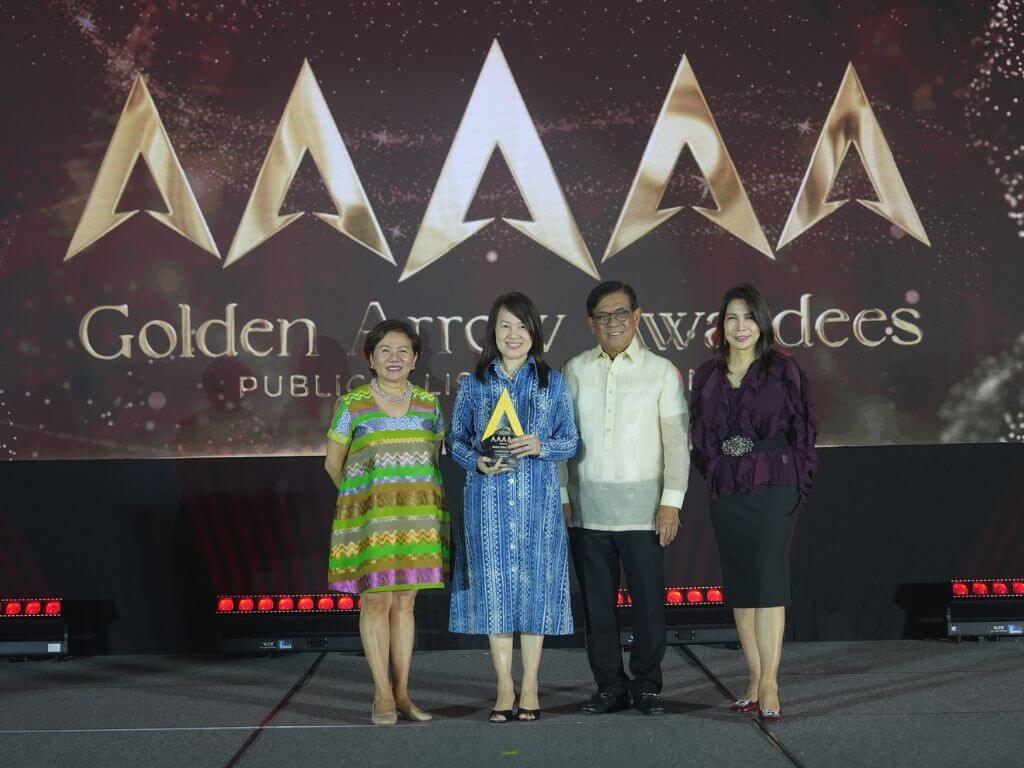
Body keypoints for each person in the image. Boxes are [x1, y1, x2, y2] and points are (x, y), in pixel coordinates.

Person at [448, 292, 579, 722]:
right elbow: (457, 441)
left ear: (534, 332)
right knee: (497, 594)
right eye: (505, 326)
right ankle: (504, 687)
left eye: (522, 326)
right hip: (488, 503)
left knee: (535, 593)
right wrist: (476, 461)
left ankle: (532, 685)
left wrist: (542, 445)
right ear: (493, 332)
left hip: (539, 504)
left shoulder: (552, 382)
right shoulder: (474, 384)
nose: (513, 334)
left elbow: (571, 441)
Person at [689, 283, 818, 725]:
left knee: (767, 581)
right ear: (720, 326)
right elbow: (700, 439)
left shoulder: (784, 370)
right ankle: (752, 677)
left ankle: (771, 682)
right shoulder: (706, 375)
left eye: (747, 317)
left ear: (762, 323)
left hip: (774, 484)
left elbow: (804, 430)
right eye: (731, 318)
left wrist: (798, 481)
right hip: (728, 491)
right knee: (742, 585)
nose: (740, 327)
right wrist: (722, 467)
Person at [562, 280, 689, 717]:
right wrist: (563, 494)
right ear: (590, 323)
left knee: (649, 604)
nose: (612, 323)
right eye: (603, 316)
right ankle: (609, 686)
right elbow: (562, 439)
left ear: (637, 317)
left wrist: (671, 502)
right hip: (587, 510)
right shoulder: (574, 370)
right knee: (597, 607)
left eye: (621, 314)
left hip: (645, 511)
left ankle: (648, 685)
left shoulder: (661, 371)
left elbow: (676, 444)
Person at [324, 319, 448, 726]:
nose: (394, 358)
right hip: (370, 522)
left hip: (417, 519)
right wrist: (361, 505)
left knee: (405, 602)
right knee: (375, 600)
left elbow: (434, 459)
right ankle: (381, 694)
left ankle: (403, 694)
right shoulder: (353, 403)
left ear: (415, 359)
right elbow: (332, 464)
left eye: (403, 351)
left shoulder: (430, 405)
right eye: (385, 351)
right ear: (370, 358)